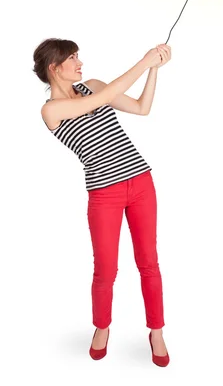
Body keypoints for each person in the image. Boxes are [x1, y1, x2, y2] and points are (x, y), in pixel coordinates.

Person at [32, 38, 171, 365]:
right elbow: (106, 97)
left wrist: (154, 68)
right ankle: (102, 327)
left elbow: (141, 107)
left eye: (78, 56)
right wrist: (143, 59)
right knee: (106, 269)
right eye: (72, 58)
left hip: (141, 183)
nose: (80, 63)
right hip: (103, 194)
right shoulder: (51, 111)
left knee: (149, 262)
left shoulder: (90, 86)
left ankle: (157, 331)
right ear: (55, 68)